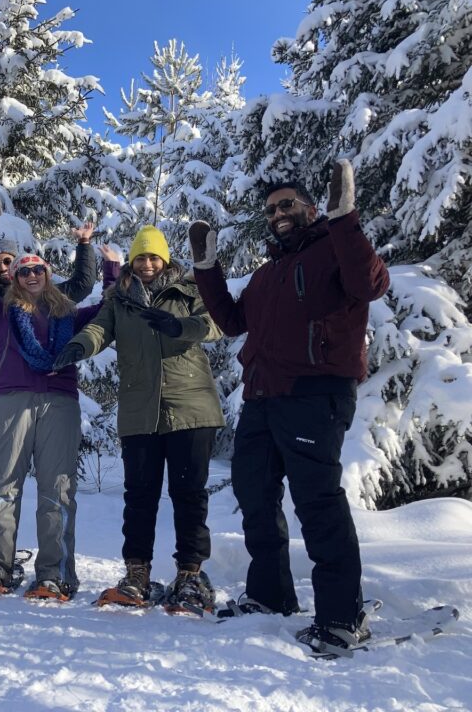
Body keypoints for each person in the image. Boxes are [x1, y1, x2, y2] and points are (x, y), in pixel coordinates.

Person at [188, 159, 390, 651]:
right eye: (270, 209)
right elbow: (233, 322)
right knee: (255, 495)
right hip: (262, 397)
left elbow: (371, 284)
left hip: (315, 392)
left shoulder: (335, 250)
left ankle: (342, 616)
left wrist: (345, 218)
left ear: (310, 208)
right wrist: (207, 269)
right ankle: (270, 595)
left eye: (286, 204)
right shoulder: (268, 274)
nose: (277, 213)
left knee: (317, 503)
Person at [53, 225, 225, 611]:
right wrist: (78, 346)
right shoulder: (119, 299)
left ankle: (190, 575)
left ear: (165, 259)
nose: (147, 264)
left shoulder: (188, 290)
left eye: (153, 257)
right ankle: (136, 574)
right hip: (138, 412)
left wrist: (182, 326)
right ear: (131, 261)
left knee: (189, 495)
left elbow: (215, 323)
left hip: (190, 407)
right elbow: (99, 329)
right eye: (140, 257)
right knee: (139, 497)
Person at [0, 208, 107, 601]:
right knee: (2, 486)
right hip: (11, 401)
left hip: (59, 403)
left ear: (48, 275)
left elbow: (110, 308)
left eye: (38, 270)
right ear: (16, 279)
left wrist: (108, 265)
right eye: (24, 271)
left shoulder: (69, 316)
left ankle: (55, 574)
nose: (32, 275)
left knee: (57, 490)